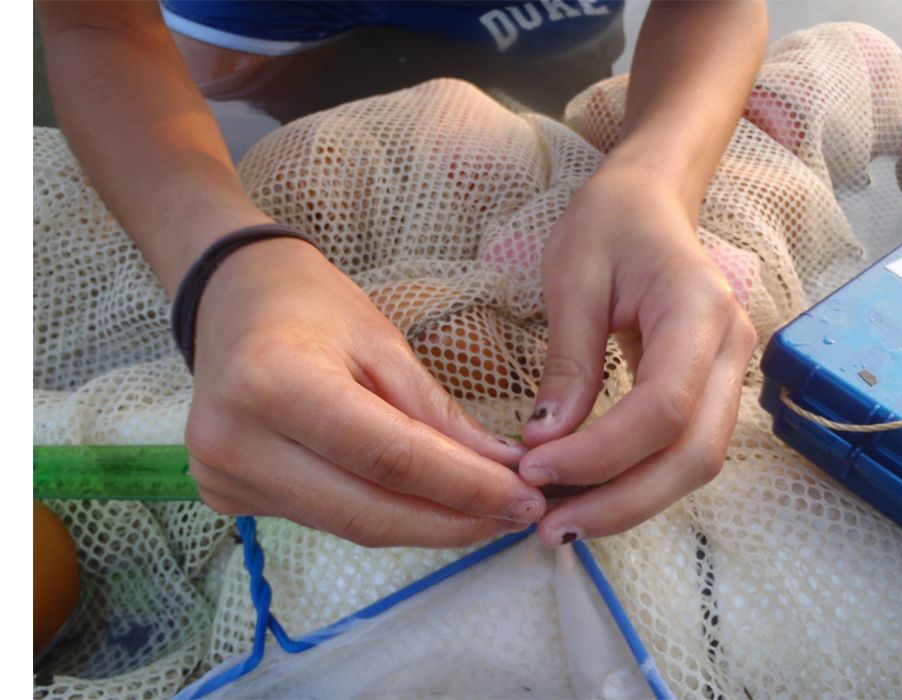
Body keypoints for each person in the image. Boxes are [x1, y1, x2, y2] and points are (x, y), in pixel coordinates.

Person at [36, 0, 764, 549]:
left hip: (534, 44)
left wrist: (657, 178)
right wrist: (221, 259)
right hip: (230, 73)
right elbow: (96, 25)